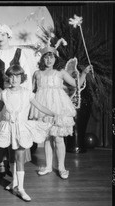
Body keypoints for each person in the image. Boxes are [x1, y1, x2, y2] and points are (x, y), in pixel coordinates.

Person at [0, 64, 58, 202]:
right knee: (11, 156)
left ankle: (21, 188)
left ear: (21, 78)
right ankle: (14, 182)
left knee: (19, 157)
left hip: (21, 128)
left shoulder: (27, 93)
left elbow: (39, 106)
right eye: (11, 76)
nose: (14, 79)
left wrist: (52, 113)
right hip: (8, 127)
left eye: (17, 76)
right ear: (8, 78)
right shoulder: (4, 93)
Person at [29, 42, 92, 179]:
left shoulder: (60, 72)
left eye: (51, 57)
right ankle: (48, 166)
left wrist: (84, 73)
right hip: (42, 108)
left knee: (58, 138)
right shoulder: (37, 73)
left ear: (56, 59)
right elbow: (31, 91)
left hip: (59, 106)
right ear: (42, 59)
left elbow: (77, 84)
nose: (49, 60)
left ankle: (62, 167)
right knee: (47, 138)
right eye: (46, 57)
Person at [0, 23, 32, 178]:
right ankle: (0, 162)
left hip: (16, 98)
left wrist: (26, 98)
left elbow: (26, 77)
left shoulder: (19, 53)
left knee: (15, 129)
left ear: (8, 35)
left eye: (2, 34)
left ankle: (13, 162)